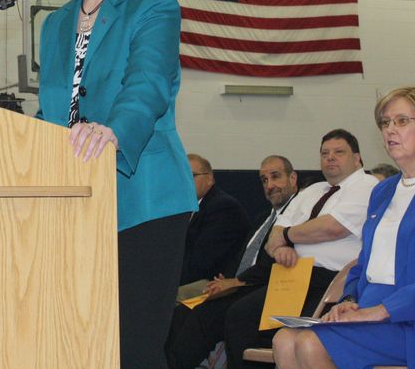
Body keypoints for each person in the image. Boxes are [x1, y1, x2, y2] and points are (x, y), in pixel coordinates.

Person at [37, 0, 198, 368]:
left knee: (133, 347)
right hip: (77, 198)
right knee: (82, 344)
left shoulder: (153, 5)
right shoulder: (56, 24)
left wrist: (112, 130)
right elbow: (53, 112)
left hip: (144, 197)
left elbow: (147, 84)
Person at [273, 87, 415, 368]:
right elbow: (364, 262)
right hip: (371, 310)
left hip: (404, 317)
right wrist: (349, 298)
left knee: (310, 343)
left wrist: (380, 311)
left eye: (401, 121)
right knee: (284, 340)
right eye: (385, 123)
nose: (390, 130)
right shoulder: (383, 191)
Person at [222, 129, 378, 368]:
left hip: (330, 280)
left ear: (357, 158)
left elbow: (331, 228)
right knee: (239, 316)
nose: (330, 158)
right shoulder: (314, 190)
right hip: (292, 275)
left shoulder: (367, 186)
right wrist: (280, 248)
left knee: (286, 331)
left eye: (339, 152)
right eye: (325, 153)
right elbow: (275, 233)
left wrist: (288, 237)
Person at [166, 155, 298, 369]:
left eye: (275, 177)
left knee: (203, 316)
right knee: (182, 314)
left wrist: (234, 282)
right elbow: (240, 256)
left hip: (263, 288)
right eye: (264, 180)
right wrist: (226, 280)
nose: (270, 185)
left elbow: (269, 265)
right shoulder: (264, 217)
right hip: (235, 284)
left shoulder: (296, 218)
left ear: (293, 179)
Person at [180, 154, 250, 285]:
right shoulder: (187, 209)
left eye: (192, 176)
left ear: (210, 179)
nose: (186, 181)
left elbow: (202, 263)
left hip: (213, 284)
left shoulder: (223, 208)